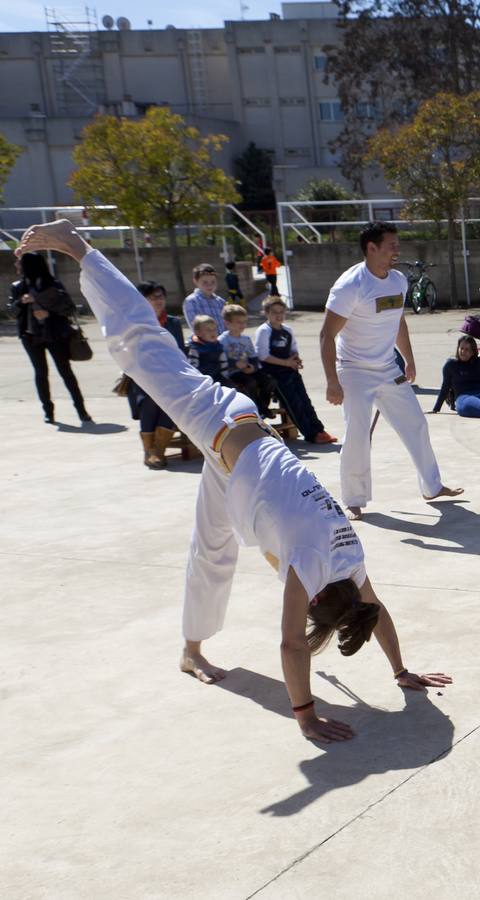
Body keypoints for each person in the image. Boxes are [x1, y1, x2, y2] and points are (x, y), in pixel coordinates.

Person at [15, 218, 450, 743]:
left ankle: (191, 649)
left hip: (238, 466)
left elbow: (374, 613)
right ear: (316, 596)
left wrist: (400, 672)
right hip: (220, 423)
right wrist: (306, 714)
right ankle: (79, 246)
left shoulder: (351, 560)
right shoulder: (312, 566)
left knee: (212, 550)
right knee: (142, 347)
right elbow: (291, 645)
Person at [320, 222, 461, 518]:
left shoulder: (397, 280)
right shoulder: (350, 285)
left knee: (416, 424)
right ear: (371, 248)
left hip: (387, 368)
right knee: (357, 434)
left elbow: (398, 322)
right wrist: (332, 381)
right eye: (391, 245)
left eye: (397, 244)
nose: (398, 249)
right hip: (354, 370)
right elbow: (326, 335)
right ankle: (354, 499)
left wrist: (407, 359)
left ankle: (431, 486)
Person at [10, 249, 90, 424]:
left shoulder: (53, 284)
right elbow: (13, 312)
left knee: (65, 372)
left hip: (54, 335)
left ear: (29, 265)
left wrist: (47, 311)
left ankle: (82, 411)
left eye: (20, 262)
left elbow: (69, 308)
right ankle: (48, 412)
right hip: (30, 337)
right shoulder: (18, 287)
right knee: (40, 373)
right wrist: (20, 302)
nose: (16, 264)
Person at [254, 299, 336, 444]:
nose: (278, 316)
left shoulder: (287, 330)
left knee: (305, 401)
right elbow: (263, 355)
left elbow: (293, 350)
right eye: (274, 313)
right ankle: (311, 434)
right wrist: (286, 363)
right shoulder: (264, 330)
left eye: (281, 312)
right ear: (266, 313)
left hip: (290, 370)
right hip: (273, 374)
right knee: (293, 403)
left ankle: (319, 430)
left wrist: (296, 360)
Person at [127, 280, 186, 468]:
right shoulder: (136, 324)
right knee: (150, 399)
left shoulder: (174, 323)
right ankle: (149, 450)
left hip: (171, 376)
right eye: (153, 297)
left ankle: (159, 450)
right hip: (144, 376)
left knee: (172, 399)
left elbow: (180, 351)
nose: (158, 301)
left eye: (160, 296)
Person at [220, 303, 277, 418]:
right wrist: (234, 363)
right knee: (250, 383)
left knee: (269, 381)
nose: (242, 325)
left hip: (246, 369)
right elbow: (220, 359)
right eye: (238, 322)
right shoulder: (222, 340)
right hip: (232, 372)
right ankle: (255, 408)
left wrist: (252, 367)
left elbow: (253, 357)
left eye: (244, 322)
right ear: (227, 323)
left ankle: (263, 406)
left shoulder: (246, 339)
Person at [183, 263, 227, 333]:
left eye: (213, 282)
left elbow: (227, 325)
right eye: (205, 282)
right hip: (204, 342)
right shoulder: (192, 301)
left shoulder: (221, 302)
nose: (210, 285)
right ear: (195, 281)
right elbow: (196, 327)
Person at [187, 315, 229, 385]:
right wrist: (197, 379)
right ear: (198, 333)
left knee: (231, 387)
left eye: (214, 329)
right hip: (203, 378)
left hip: (217, 376)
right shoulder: (196, 348)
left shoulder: (218, 346)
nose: (213, 332)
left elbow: (223, 362)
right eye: (208, 330)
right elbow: (193, 365)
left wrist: (225, 376)